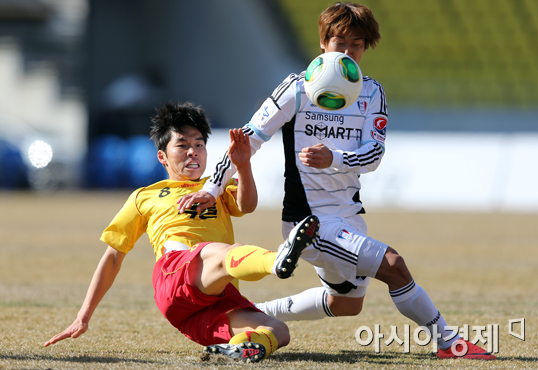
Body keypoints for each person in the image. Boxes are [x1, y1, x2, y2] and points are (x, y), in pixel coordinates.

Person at [176, 2, 496, 361]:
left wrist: (335, 158)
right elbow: (246, 139)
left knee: (345, 304)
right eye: (339, 41)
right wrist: (211, 187)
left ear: (366, 47)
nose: (347, 51)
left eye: (356, 44)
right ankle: (449, 343)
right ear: (323, 44)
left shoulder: (372, 93)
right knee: (394, 266)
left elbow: (373, 156)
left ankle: (251, 310)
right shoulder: (297, 88)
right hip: (307, 222)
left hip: (348, 214)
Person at [43, 101, 320, 363]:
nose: (193, 151)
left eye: (199, 144)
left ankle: (239, 347)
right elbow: (113, 257)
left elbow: (247, 206)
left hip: (209, 302)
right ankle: (277, 259)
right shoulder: (145, 196)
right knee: (222, 253)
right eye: (183, 145)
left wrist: (244, 164)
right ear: (162, 156)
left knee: (278, 330)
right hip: (175, 279)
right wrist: (83, 315)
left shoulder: (216, 186)